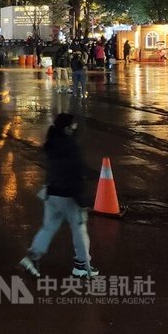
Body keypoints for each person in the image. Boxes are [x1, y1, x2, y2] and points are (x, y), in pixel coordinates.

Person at [19, 113, 98, 278]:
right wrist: (82, 199)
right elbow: (75, 172)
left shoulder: (51, 142)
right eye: (72, 126)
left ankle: (32, 257)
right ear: (68, 128)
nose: (74, 129)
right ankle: (82, 265)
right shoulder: (71, 146)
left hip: (51, 193)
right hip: (68, 195)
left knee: (48, 228)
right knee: (79, 230)